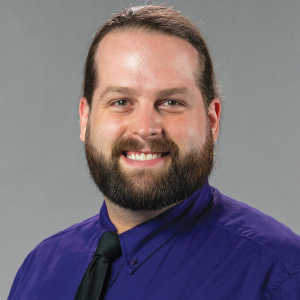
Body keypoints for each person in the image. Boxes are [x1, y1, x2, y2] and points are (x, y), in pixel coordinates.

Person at [8, 5, 300, 300]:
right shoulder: (39, 270)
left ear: (212, 121)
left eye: (171, 102)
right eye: (121, 102)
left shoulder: (279, 275)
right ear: (85, 119)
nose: (145, 128)